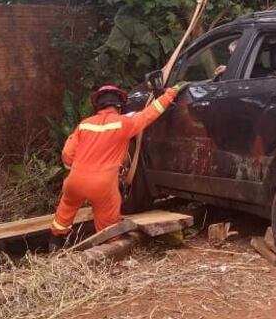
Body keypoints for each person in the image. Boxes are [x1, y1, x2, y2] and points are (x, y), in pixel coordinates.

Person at [50, 82, 185, 250]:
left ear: (98, 106)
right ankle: (109, 250)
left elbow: (67, 154)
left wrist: (76, 169)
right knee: (108, 229)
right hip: (103, 185)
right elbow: (150, 113)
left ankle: (54, 247)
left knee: (63, 216)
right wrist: (170, 94)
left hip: (74, 182)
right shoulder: (123, 124)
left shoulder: (84, 125)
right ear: (119, 105)